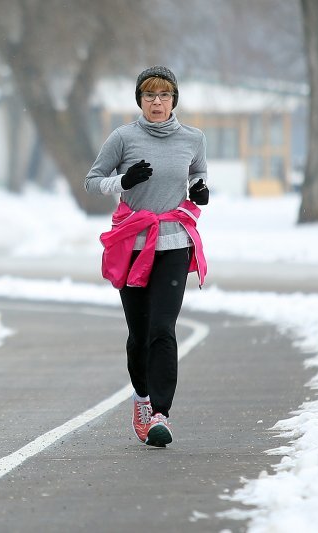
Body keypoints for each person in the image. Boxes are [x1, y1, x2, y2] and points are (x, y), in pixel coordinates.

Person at [84, 66, 208, 448]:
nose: (157, 102)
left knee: (162, 329)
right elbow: (91, 181)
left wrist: (199, 190)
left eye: (165, 95)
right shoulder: (123, 138)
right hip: (134, 246)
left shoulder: (193, 138)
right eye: (150, 95)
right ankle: (141, 397)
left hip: (173, 244)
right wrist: (124, 182)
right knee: (139, 336)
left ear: (174, 100)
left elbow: (197, 175)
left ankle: (161, 415)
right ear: (140, 100)